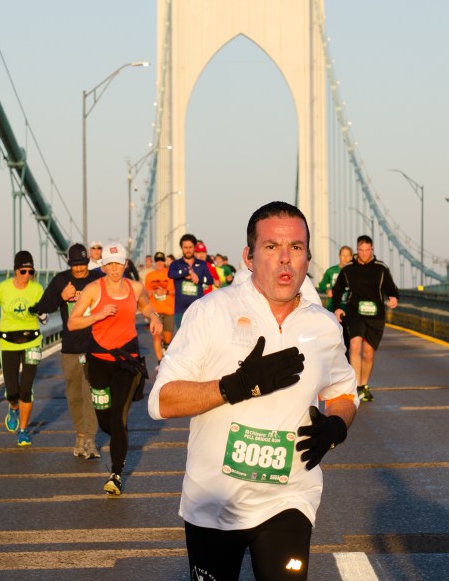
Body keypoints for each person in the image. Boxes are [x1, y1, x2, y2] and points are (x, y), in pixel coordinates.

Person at [148, 201, 357, 580]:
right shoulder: (212, 312)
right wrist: (236, 385)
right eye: (271, 247)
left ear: (308, 259)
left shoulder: (324, 326)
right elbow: (161, 400)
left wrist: (335, 428)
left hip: (289, 499)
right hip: (213, 503)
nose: (285, 258)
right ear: (249, 256)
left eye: (295, 247)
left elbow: (343, 391)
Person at [67, 241, 163, 496]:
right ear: (103, 266)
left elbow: (146, 306)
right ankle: (118, 435)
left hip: (127, 360)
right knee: (106, 422)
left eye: (118, 264)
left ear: (125, 264)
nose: (114, 269)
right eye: (109, 265)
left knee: (119, 417)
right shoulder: (93, 289)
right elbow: (73, 323)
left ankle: (116, 475)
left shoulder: (135, 287)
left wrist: (154, 317)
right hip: (99, 360)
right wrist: (97, 315)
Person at [34, 243, 103, 459]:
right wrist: (61, 297)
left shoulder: (98, 279)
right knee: (74, 395)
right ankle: (80, 435)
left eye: (83, 264)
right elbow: (43, 307)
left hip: (95, 346)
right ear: (68, 263)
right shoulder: (61, 280)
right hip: (71, 347)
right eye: (75, 265)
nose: (79, 269)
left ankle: (90, 439)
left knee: (90, 393)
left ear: (88, 262)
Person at [0, 250, 46, 446]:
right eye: (23, 271)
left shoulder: (37, 289)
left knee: (26, 389)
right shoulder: (3, 288)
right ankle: (13, 407)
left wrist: (39, 312)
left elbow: (45, 319)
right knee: (12, 391)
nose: (27, 275)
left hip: (32, 341)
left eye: (31, 272)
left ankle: (23, 430)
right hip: (8, 342)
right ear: (15, 271)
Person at [330, 235, 399, 402]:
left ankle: (364, 386)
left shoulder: (381, 268)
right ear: (357, 250)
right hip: (355, 313)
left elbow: (391, 287)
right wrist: (337, 308)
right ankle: (355, 387)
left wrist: (393, 297)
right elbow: (338, 289)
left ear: (372, 250)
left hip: (376, 315)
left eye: (367, 250)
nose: (364, 253)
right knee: (355, 345)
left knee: (368, 353)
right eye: (361, 250)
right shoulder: (348, 268)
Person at [167, 233, 215, 332]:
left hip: (198, 308)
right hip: (180, 310)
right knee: (183, 336)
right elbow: (171, 274)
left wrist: (198, 278)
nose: (188, 250)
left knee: (198, 335)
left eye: (190, 247)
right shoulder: (176, 264)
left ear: (194, 247)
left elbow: (210, 280)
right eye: (185, 247)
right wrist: (186, 272)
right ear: (181, 248)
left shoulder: (202, 264)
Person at [144, 251, 175, 365]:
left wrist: (165, 292)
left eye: (161, 260)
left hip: (168, 310)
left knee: (167, 338)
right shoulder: (150, 276)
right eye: (157, 261)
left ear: (164, 262)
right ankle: (159, 363)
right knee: (156, 336)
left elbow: (175, 291)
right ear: (154, 262)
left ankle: (165, 347)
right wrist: (150, 293)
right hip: (155, 311)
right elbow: (145, 292)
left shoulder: (170, 274)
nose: (159, 263)